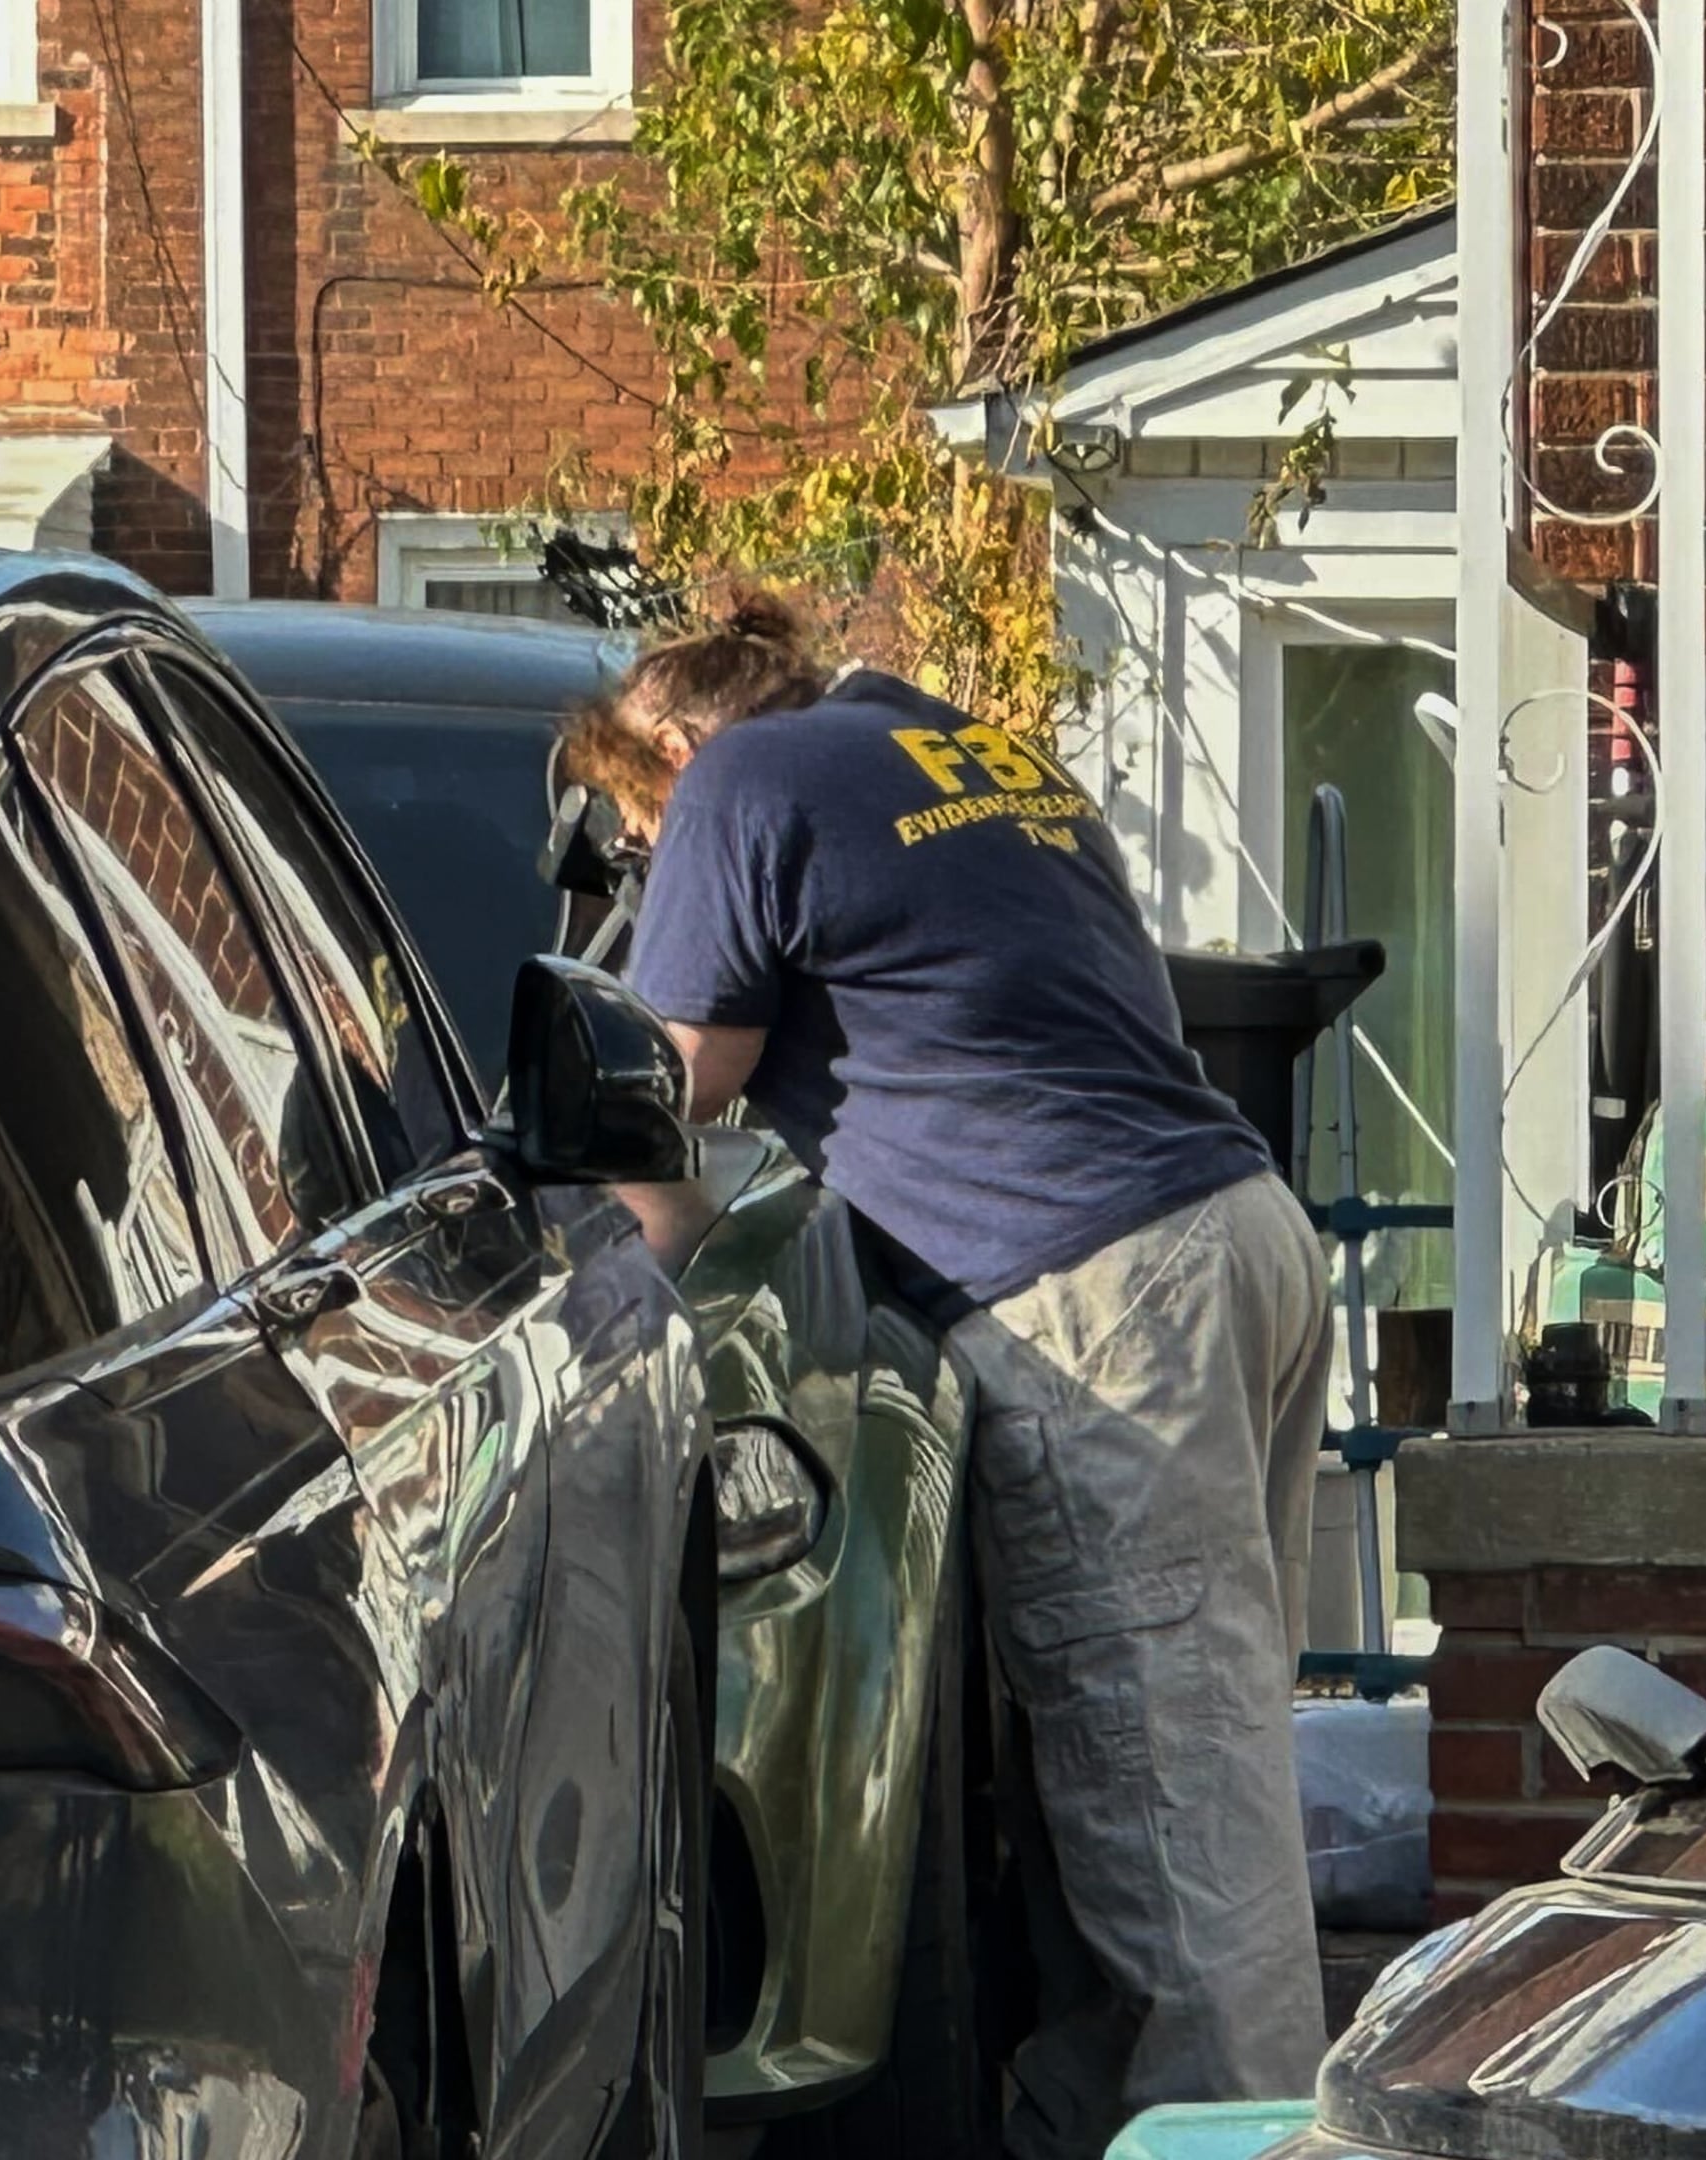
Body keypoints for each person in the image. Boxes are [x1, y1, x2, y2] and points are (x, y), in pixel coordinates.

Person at [602, 595, 1333, 2154]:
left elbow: (656, 1120)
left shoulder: (742, 785)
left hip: (1093, 1304)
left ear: (671, 746)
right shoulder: (971, 753)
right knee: (1180, 1778)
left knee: (1171, 1828)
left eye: (634, 825)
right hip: (1238, 1233)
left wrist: (577, 1321)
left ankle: (1252, 2139)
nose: (651, 858)